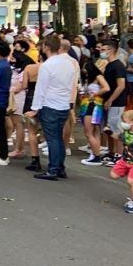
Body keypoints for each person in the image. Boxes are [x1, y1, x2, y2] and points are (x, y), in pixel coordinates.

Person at [27, 34, 78, 181]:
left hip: (50, 104)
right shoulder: (69, 63)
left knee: (52, 139)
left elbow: (41, 89)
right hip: (63, 104)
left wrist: (35, 108)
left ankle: (53, 169)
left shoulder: (47, 65)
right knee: (59, 139)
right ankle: (60, 167)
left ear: (46, 47)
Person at [99, 38, 129, 166]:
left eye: (103, 49)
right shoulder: (109, 65)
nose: (101, 52)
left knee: (116, 129)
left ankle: (119, 155)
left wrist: (110, 100)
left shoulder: (118, 66)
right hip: (109, 101)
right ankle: (111, 152)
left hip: (116, 103)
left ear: (111, 50)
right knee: (109, 128)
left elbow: (121, 85)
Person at [109, 110, 133, 214]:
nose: (123, 123)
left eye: (125, 121)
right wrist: (109, 131)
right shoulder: (125, 132)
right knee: (114, 175)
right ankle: (132, 176)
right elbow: (117, 137)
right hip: (125, 160)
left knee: (131, 181)